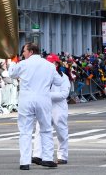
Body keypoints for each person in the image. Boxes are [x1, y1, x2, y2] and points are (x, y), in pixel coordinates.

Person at [9, 42, 61, 170]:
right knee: (46, 129)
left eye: (24, 51)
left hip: (26, 99)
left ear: (31, 52)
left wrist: (12, 62)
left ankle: (24, 162)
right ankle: (48, 158)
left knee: (25, 131)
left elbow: (11, 74)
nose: (23, 54)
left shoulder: (23, 64)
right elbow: (58, 82)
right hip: (43, 98)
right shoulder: (49, 65)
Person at [32, 54, 70, 165]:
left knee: (61, 132)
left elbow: (64, 94)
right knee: (40, 130)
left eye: (51, 63)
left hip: (58, 108)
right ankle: (37, 155)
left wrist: (47, 94)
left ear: (57, 64)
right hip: (45, 106)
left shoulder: (64, 77)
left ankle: (62, 155)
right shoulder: (42, 77)